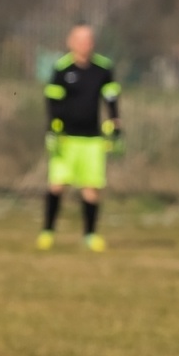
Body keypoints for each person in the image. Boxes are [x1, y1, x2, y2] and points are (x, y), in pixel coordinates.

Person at [40, 24, 121, 252]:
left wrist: (116, 122)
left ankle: (90, 235)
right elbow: (52, 100)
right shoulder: (62, 68)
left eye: (89, 39)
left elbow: (111, 97)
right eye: (81, 39)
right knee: (57, 185)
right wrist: (53, 128)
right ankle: (47, 231)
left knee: (91, 187)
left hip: (92, 139)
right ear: (71, 42)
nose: (86, 43)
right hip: (66, 139)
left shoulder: (102, 69)